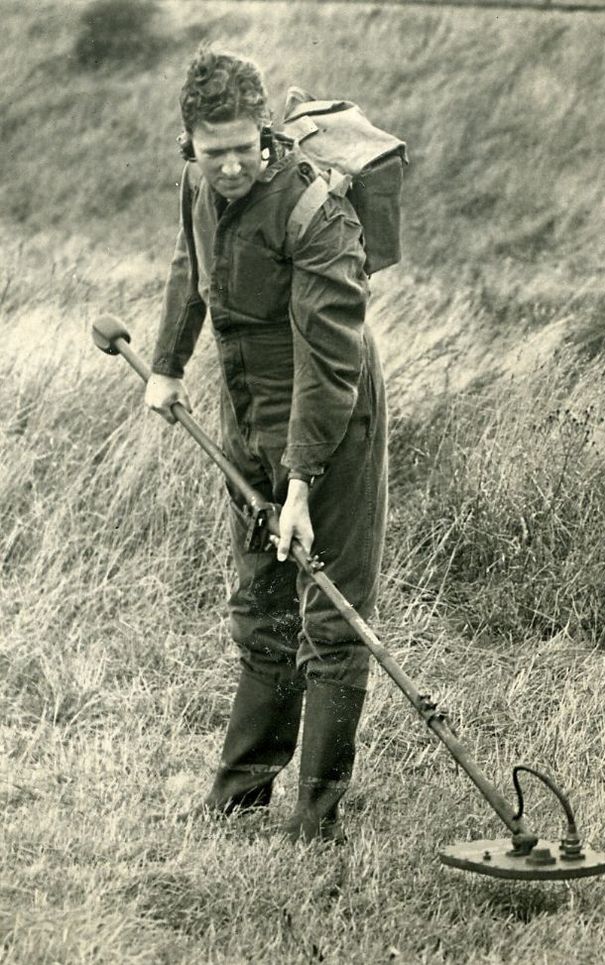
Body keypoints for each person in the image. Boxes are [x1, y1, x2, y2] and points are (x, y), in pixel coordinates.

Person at [145, 42, 388, 843]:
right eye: (212, 153)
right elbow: (193, 264)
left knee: (331, 614)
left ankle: (316, 820)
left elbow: (329, 363)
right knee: (260, 604)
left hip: (332, 419)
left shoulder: (315, 212)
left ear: (266, 135)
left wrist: (300, 488)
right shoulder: (196, 182)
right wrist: (168, 365)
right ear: (191, 144)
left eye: (243, 149)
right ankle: (241, 793)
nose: (228, 168)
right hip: (246, 411)